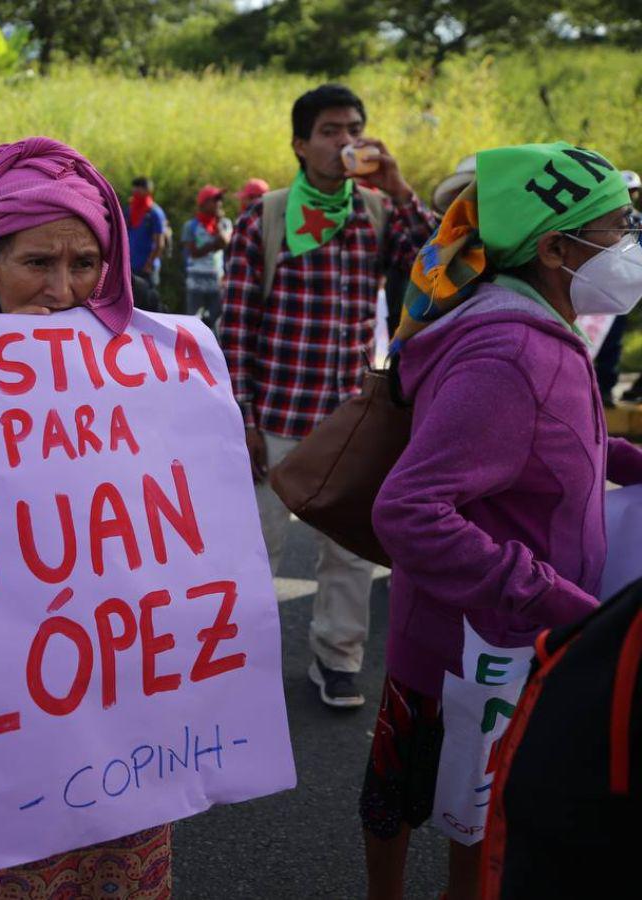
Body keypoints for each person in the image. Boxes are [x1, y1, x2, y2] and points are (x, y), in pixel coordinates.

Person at [368, 142, 642, 900]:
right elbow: (408, 510)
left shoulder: (530, 325)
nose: (633, 243)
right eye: (621, 226)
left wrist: (627, 459)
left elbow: (550, 435)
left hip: (480, 636)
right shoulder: (511, 352)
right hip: (477, 648)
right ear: (555, 248)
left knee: (453, 802)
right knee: (462, 807)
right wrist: (554, 602)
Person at [0, 136, 171, 899]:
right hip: (4, 689)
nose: (63, 289)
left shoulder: (146, 370)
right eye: (37, 263)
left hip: (122, 682)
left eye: (85, 264)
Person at [220, 83, 434, 708]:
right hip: (278, 413)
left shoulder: (375, 211)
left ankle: (337, 661)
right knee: (256, 547)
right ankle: (238, 663)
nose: (346, 141)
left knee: (350, 552)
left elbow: (436, 265)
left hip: (352, 416)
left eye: (354, 129)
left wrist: (400, 189)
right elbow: (236, 327)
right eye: (330, 130)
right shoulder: (265, 217)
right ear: (300, 144)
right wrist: (245, 419)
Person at [595, 169, 642, 406]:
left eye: (632, 191)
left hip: (624, 290)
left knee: (613, 341)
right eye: (626, 191)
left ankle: (604, 389)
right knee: (593, 339)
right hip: (598, 288)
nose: (630, 196)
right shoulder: (600, 220)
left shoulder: (639, 222)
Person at [181, 184, 232, 332]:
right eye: (215, 200)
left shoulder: (224, 223)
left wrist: (217, 225)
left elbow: (225, 242)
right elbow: (194, 252)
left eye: (220, 200)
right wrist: (215, 245)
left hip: (217, 283)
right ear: (203, 203)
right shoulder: (191, 226)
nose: (219, 203)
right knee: (192, 324)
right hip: (195, 283)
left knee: (215, 325)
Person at [126, 176, 168, 286]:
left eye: (139, 187)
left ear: (148, 190)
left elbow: (160, 243)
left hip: (147, 268)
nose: (135, 190)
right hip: (131, 266)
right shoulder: (131, 209)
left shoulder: (154, 213)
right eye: (135, 187)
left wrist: (149, 264)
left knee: (148, 301)